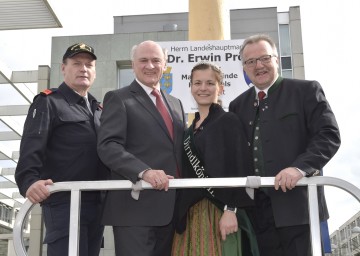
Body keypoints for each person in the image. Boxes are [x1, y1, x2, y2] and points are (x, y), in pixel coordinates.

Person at [229, 34, 341, 256]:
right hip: (255, 213)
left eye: (264, 58)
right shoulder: (237, 105)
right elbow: (236, 156)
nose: (258, 65)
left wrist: (299, 168)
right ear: (244, 67)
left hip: (298, 208)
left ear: (277, 60)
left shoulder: (306, 90)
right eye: (250, 61)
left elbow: (328, 135)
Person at [15, 43, 108, 256]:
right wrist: (29, 181)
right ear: (63, 68)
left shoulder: (99, 108)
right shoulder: (49, 102)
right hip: (65, 203)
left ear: (94, 72)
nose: (83, 69)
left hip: (97, 204)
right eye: (76, 63)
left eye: (89, 65)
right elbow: (31, 146)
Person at [97, 40, 186, 256]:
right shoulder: (118, 98)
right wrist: (144, 172)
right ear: (133, 64)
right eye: (143, 60)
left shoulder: (176, 103)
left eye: (156, 60)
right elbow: (108, 146)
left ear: (164, 65)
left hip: (170, 211)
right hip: (134, 210)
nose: (150, 66)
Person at [172, 62, 259, 256]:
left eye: (210, 83)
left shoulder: (228, 121)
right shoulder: (188, 130)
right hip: (191, 214)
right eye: (197, 83)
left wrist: (231, 209)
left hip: (220, 212)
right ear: (191, 87)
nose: (203, 88)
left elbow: (240, 166)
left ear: (221, 88)